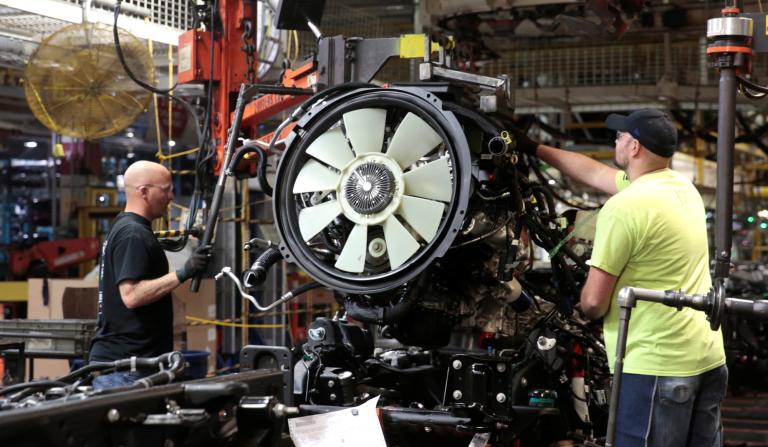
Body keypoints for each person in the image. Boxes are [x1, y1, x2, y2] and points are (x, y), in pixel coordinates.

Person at [515, 109, 727, 446]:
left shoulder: (625, 206)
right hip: (707, 357)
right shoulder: (682, 188)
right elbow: (595, 172)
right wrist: (533, 148)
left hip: (655, 366)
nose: (615, 139)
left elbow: (594, 302)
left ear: (635, 147)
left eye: (620, 135)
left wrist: (577, 307)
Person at [88, 160, 211, 390]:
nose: (172, 196)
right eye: (166, 189)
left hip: (131, 363)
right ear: (143, 192)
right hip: (125, 369)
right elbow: (131, 295)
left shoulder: (127, 228)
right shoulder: (133, 234)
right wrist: (184, 272)